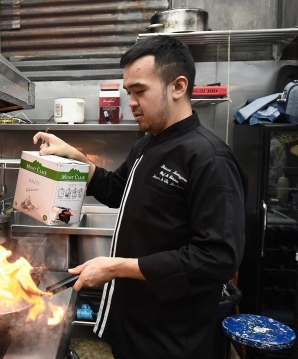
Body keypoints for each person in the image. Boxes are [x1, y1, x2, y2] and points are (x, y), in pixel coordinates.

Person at [33, 36, 247, 359]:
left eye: (140, 91)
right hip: (134, 330)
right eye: (128, 92)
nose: (131, 102)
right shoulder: (146, 145)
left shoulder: (210, 159)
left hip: (172, 340)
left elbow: (217, 258)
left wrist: (118, 267)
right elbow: (116, 189)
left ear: (177, 86)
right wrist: (74, 156)